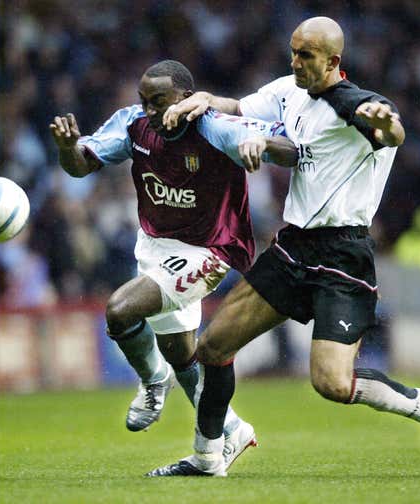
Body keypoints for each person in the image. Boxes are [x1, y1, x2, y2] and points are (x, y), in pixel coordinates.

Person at [148, 17, 420, 477]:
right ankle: (207, 456)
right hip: (294, 247)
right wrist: (201, 99)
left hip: (343, 257)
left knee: (332, 383)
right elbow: (237, 106)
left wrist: (389, 127)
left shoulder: (359, 106)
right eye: (293, 52)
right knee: (213, 346)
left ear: (333, 61)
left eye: (306, 56)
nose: (295, 62)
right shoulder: (288, 91)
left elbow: (390, 131)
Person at [49, 60, 297, 468]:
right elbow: (82, 164)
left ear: (186, 98)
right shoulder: (134, 125)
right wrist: (66, 148)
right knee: (182, 355)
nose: (150, 110)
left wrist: (265, 145)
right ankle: (231, 430)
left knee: (120, 311)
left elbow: (289, 148)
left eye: (159, 102)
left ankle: (151, 381)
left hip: (210, 250)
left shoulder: (214, 127)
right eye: (144, 101)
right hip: (155, 246)